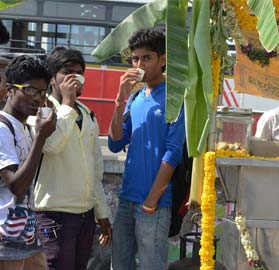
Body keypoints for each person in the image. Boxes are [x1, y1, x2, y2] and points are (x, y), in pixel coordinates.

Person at [108, 28, 185, 270]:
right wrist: (120, 99)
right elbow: (115, 143)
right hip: (126, 200)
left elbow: (173, 152)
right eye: (135, 58)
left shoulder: (175, 98)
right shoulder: (135, 97)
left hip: (154, 204)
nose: (139, 64)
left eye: (147, 58)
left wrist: (151, 201)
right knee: (119, 265)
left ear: (162, 60)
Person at [33, 48, 112, 270]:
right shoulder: (42, 110)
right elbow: (51, 146)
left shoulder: (87, 114)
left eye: (79, 73)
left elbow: (95, 170)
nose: (74, 78)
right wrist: (67, 105)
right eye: (67, 72)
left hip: (84, 216)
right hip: (54, 214)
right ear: (52, 78)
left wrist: (102, 213)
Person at [0, 55, 56, 270]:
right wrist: (41, 136)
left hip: (28, 235)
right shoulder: (3, 128)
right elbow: (16, 185)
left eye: (42, 93)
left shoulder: (25, 128)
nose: (38, 98)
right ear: (10, 90)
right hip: (6, 236)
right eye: (30, 90)